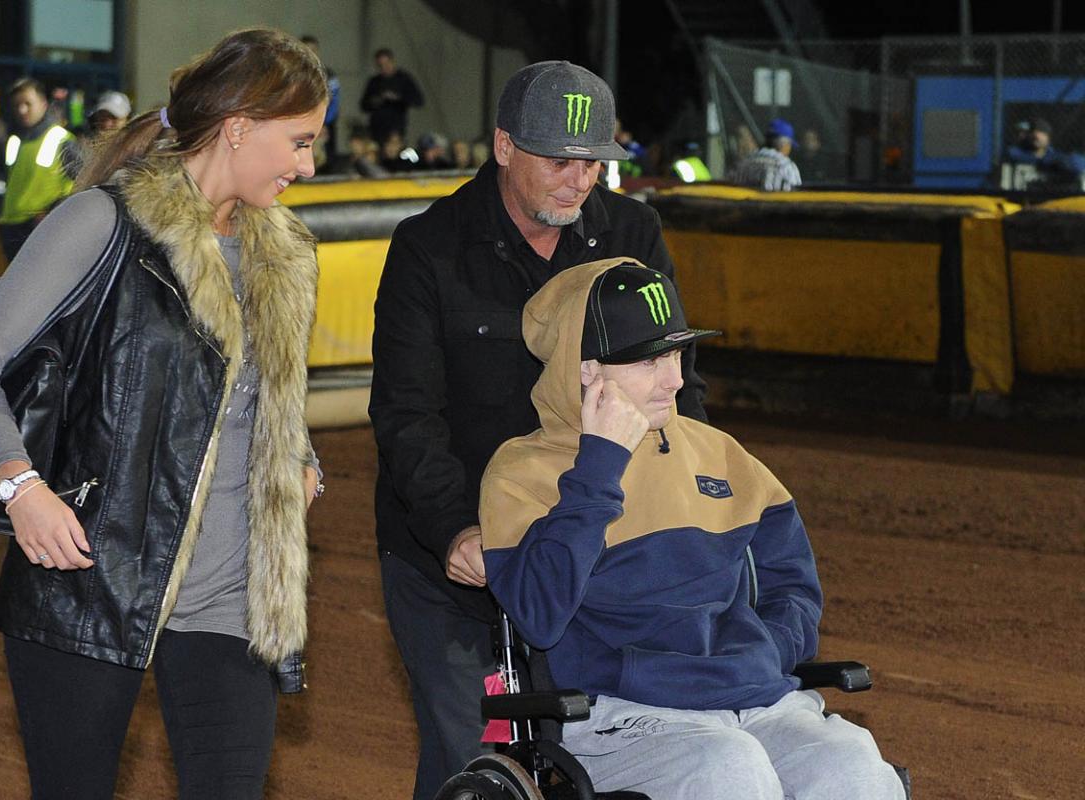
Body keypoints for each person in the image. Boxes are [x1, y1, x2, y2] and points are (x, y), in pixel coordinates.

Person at [0, 29, 327, 799]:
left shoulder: (283, 253)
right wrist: (23, 488)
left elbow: (249, 386)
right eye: (300, 142)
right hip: (91, 580)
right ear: (240, 127)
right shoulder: (102, 224)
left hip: (227, 597)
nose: (307, 166)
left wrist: (299, 454)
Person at [369, 60, 708, 800]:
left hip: (586, 548)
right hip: (452, 559)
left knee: (585, 746)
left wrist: (692, 504)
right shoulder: (429, 249)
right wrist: (455, 529)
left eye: (593, 163)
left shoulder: (632, 233)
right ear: (502, 147)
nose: (579, 179)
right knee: (471, 755)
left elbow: (674, 387)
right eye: (559, 160)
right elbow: (406, 412)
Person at [481, 259, 906, 800]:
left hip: (753, 697)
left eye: (678, 353)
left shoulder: (721, 453)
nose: (675, 379)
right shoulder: (522, 472)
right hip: (620, 712)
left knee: (856, 768)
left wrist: (766, 651)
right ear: (585, 369)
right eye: (649, 360)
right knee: (728, 767)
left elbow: (793, 584)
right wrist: (599, 466)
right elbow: (538, 617)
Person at [0, 77, 79, 261]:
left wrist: (51, 212)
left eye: (28, 103)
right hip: (12, 227)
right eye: (17, 105)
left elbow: (82, 183)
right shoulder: (15, 141)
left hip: (41, 226)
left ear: (43, 104)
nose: (22, 110)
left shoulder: (61, 140)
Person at [360, 47, 425, 146]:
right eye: (380, 65)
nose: (384, 67)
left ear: (392, 61)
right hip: (376, 130)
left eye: (386, 63)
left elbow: (419, 101)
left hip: (395, 130)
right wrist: (375, 101)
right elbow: (363, 105)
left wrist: (397, 98)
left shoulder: (404, 79)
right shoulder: (374, 82)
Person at [733, 118, 802, 192]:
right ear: (784, 145)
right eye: (790, 145)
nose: (789, 149)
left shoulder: (744, 162)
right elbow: (796, 197)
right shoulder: (786, 166)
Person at [301, 35, 341, 160]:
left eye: (313, 50)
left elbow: (334, 102)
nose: (310, 54)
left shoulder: (329, 75)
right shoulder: (293, 75)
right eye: (306, 50)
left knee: (327, 158)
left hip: (326, 125)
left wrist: (323, 123)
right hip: (302, 125)